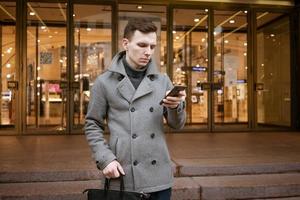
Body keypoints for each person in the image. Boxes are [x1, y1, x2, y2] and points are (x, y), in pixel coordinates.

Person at [85, 18, 186, 200]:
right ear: (126, 43)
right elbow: (92, 124)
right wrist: (105, 158)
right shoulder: (104, 82)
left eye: (152, 47)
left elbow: (177, 124)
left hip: (158, 176)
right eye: (142, 45)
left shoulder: (163, 81)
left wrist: (176, 107)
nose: (148, 52)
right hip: (122, 173)